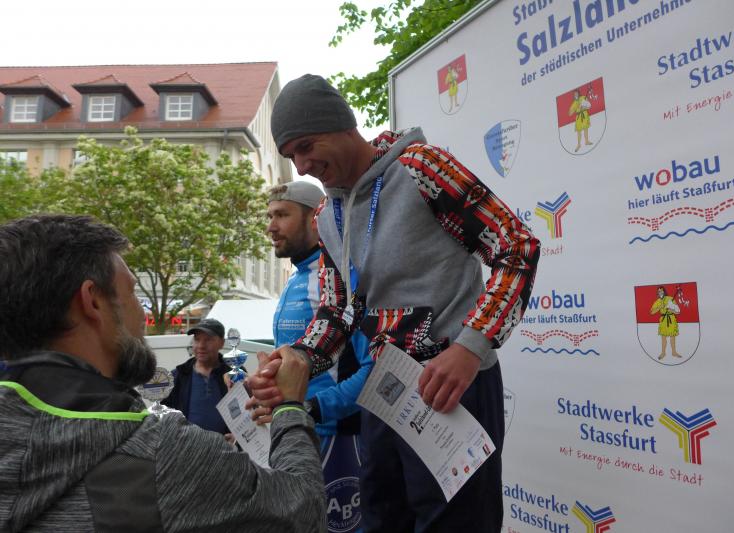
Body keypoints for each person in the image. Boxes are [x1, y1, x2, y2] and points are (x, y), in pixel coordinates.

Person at [251, 74, 540, 532]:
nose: (302, 167)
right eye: (291, 156)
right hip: (386, 391)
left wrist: (470, 348)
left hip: (453, 387)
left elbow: (515, 246)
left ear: (343, 125)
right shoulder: (327, 214)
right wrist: (298, 358)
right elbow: (338, 311)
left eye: (306, 146)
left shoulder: (422, 168)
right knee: (383, 521)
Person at [0, 214, 325, 532]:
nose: (143, 316)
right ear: (92, 302)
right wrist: (290, 408)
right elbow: (303, 510)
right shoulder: (162, 453)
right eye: (132, 293)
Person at [263, 181, 372, 533]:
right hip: (294, 431)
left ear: (316, 219)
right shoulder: (295, 280)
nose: (271, 226)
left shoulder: (346, 279)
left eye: (282, 215)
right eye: (269, 216)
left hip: (339, 439)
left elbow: (375, 370)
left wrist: (315, 408)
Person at [163, 317, 235, 434]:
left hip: (226, 445)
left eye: (208, 340)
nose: (201, 345)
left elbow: (248, 412)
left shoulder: (234, 373)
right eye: (197, 339)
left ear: (222, 343)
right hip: (187, 444)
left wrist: (237, 437)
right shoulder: (177, 376)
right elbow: (164, 417)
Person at [650, 285, 681, 360]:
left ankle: (674, 352)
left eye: (661, 291)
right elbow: (651, 312)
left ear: (664, 291)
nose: (660, 292)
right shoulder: (658, 301)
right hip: (663, 321)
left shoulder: (670, 299)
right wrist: (659, 307)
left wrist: (671, 310)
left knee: (672, 337)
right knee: (663, 338)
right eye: (659, 291)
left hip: (671, 319)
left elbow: (678, 311)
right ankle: (663, 353)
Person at [568, 87, 592, 152]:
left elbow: (589, 105)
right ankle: (579, 144)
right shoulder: (574, 102)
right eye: (574, 94)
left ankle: (586, 141)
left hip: (584, 115)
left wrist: (584, 106)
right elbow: (569, 113)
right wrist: (573, 110)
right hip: (578, 117)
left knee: (586, 128)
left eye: (576, 93)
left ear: (578, 93)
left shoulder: (583, 98)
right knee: (579, 131)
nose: (575, 95)